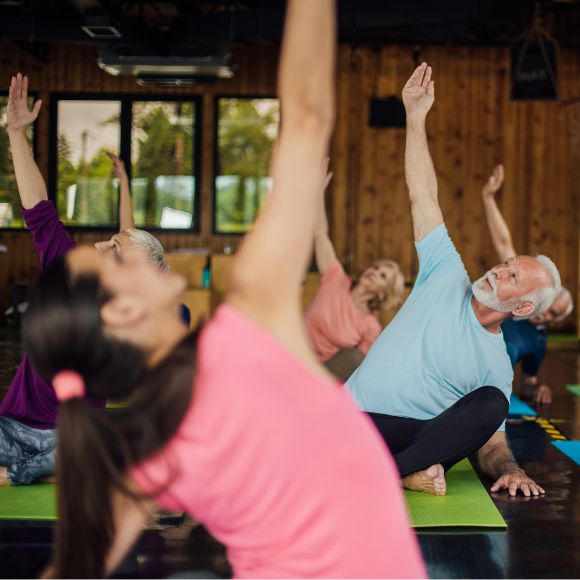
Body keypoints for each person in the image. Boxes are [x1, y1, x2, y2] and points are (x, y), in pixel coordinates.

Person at [22, 1, 425, 578]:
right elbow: (307, 117)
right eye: (111, 257)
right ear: (124, 310)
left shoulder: (150, 443)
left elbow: (76, 566)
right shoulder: (249, 322)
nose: (122, 243)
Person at [346, 63, 561, 498]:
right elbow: (422, 194)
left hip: (415, 439)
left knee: (494, 403)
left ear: (522, 308)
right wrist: (415, 117)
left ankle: (391, 471)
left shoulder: (496, 364)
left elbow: (491, 444)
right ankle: (402, 472)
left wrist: (513, 470)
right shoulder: (445, 272)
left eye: (512, 275)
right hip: (355, 422)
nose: (498, 269)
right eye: (504, 262)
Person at [0, 74, 187, 487]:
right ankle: (22, 472)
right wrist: (16, 133)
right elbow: (38, 207)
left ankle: (16, 477)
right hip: (10, 428)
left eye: (116, 250)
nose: (103, 247)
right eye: (112, 242)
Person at [481, 163, 574, 404]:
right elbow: (504, 243)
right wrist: (488, 197)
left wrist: (538, 389)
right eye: (551, 306)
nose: (548, 316)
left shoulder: (538, 342)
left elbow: (528, 382)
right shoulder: (513, 296)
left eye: (555, 315)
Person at [305, 160, 405, 381]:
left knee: (357, 360)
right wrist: (317, 192)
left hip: (322, 376)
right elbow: (320, 234)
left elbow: (364, 374)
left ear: (383, 293)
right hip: (294, 352)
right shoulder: (335, 278)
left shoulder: (369, 327)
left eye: (382, 276)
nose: (374, 271)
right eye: (376, 267)